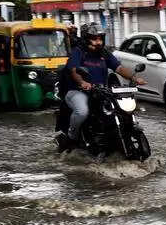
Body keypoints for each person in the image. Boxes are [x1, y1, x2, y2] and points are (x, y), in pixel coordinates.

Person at [56, 23, 147, 151]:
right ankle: (72, 137)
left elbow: (119, 67)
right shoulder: (78, 52)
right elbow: (74, 70)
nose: (98, 42)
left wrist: (134, 78)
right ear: (87, 38)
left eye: (100, 38)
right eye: (94, 39)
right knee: (82, 111)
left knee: (118, 109)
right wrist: (82, 82)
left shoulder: (104, 53)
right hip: (78, 91)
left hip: (100, 91)